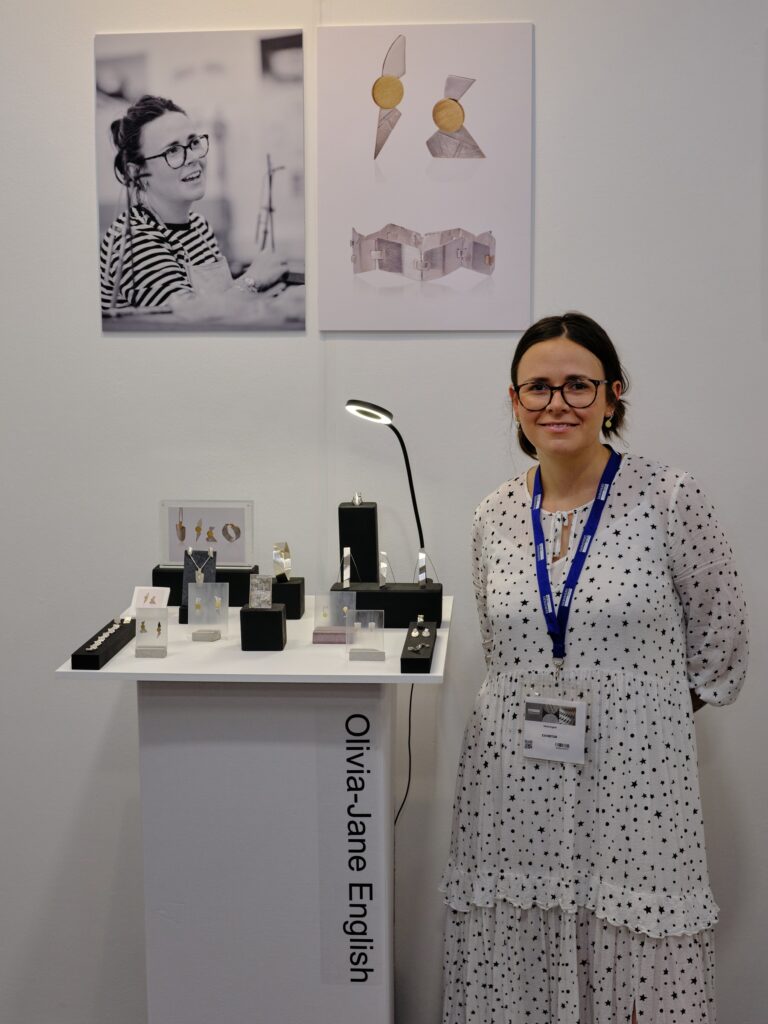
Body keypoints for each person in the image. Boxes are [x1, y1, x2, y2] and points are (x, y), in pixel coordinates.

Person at [441, 312, 748, 1024]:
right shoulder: (493, 514)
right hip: (515, 781)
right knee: (522, 950)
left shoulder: (670, 499)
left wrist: (636, 717)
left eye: (578, 385)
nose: (558, 403)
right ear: (515, 402)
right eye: (539, 388)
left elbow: (721, 650)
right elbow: (506, 653)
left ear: (613, 396)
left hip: (637, 782)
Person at [100, 94, 284, 317]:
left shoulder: (199, 226)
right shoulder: (133, 239)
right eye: (172, 151)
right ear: (136, 172)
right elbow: (188, 322)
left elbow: (221, 303)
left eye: (193, 142)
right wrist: (253, 279)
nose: (192, 158)